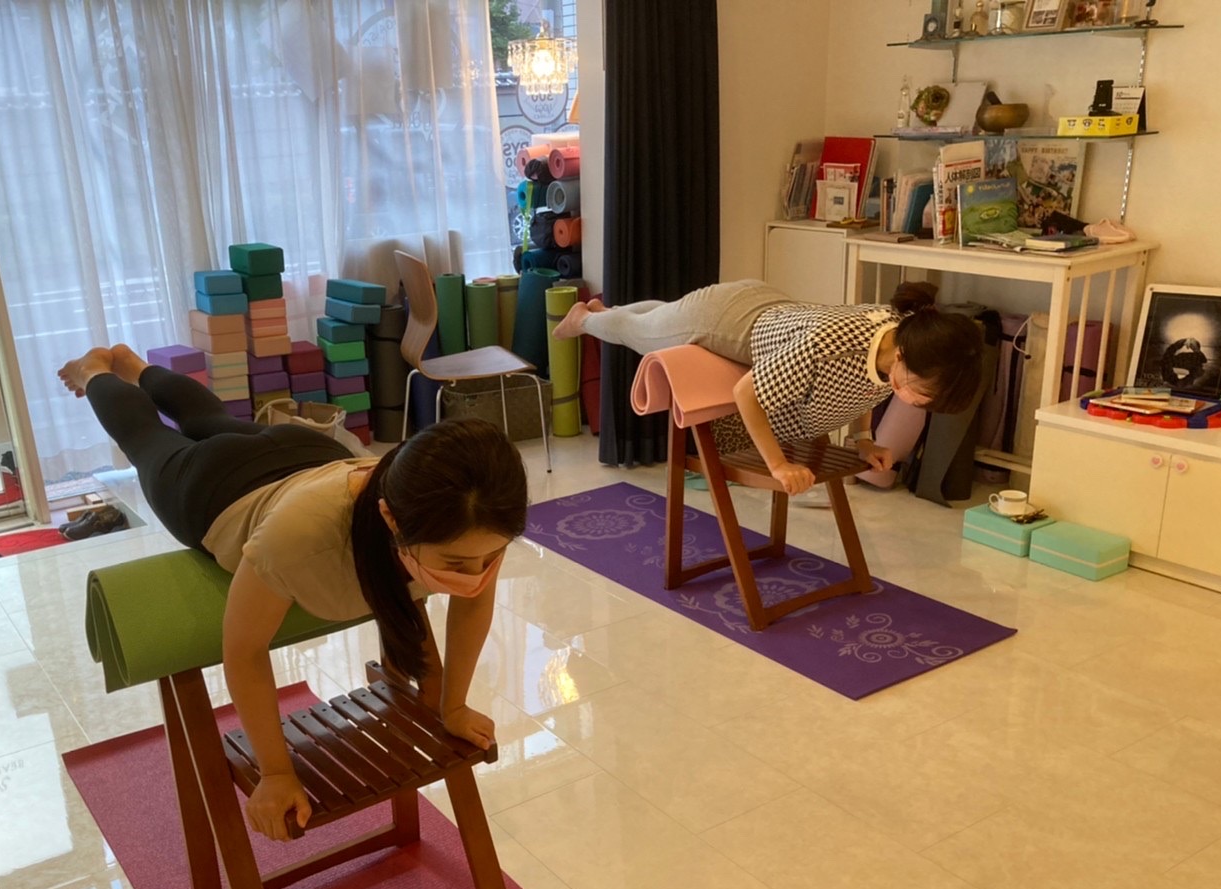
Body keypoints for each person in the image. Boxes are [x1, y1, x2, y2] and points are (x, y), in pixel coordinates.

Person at [58, 345, 528, 842]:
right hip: (214, 486)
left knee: (212, 419)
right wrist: (276, 772)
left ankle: (139, 369)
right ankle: (95, 371)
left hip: (309, 454)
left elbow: (473, 603)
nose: (476, 574)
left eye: (490, 557)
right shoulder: (298, 539)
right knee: (148, 439)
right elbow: (244, 650)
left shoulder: (474, 516)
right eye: (455, 564)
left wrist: (454, 706)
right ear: (391, 519)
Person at [553, 279, 982, 494]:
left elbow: (865, 387)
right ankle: (585, 319)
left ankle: (608, 311)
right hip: (727, 319)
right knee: (642, 332)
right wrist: (777, 464)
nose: (919, 402)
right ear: (904, 356)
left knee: (662, 318)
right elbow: (747, 393)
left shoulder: (905, 337)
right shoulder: (830, 347)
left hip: (772, 312)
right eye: (922, 392)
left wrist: (863, 441)